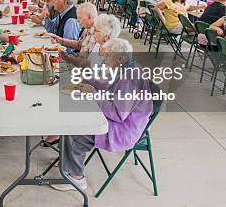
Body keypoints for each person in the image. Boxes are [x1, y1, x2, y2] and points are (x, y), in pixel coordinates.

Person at [52, 38, 152, 192]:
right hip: (117, 121)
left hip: (123, 129)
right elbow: (105, 85)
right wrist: (85, 80)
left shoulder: (130, 78)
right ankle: (67, 160)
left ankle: (76, 177)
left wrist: (93, 94)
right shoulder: (122, 68)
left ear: (120, 58)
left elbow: (119, 114)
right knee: (72, 118)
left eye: (107, 56)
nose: (104, 60)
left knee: (76, 130)